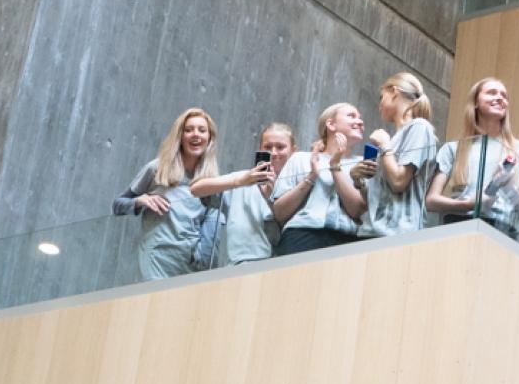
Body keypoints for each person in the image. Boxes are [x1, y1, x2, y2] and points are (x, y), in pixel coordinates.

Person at [113, 107, 226, 279]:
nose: (196, 134)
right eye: (189, 130)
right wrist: (140, 201)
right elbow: (117, 205)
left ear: (209, 138)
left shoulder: (209, 181)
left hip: (190, 264)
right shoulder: (157, 169)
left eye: (202, 130)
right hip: (158, 257)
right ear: (180, 136)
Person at [426, 77, 519, 232]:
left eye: (504, 96)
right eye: (491, 93)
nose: (500, 98)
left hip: (502, 227)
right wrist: (468, 204)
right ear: (476, 103)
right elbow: (431, 200)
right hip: (457, 225)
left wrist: (510, 190)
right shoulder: (453, 148)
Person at [271, 103, 369, 255]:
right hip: (301, 236)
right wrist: (311, 176)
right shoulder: (301, 159)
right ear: (330, 124)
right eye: (351, 116)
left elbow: (356, 210)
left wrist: (335, 166)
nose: (360, 122)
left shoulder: (362, 164)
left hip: (348, 240)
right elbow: (279, 212)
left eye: (360, 118)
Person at [195, 121, 295, 266]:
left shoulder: (298, 186)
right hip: (239, 266)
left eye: (280, 147)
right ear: (260, 149)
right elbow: (197, 189)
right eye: (267, 147)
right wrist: (242, 180)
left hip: (280, 266)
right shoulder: (242, 179)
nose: (273, 153)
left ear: (293, 150)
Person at [358, 72, 437, 238]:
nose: (379, 105)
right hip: (371, 231)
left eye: (381, 97)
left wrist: (385, 146)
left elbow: (399, 182)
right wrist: (358, 179)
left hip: (400, 233)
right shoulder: (393, 140)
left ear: (394, 92)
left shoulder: (419, 127)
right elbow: (375, 198)